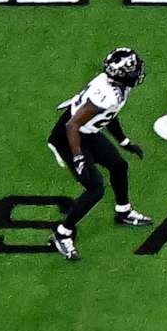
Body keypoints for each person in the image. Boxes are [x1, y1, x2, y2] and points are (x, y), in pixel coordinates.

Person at [48, 48, 152, 260]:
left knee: (119, 166)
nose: (137, 72)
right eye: (132, 70)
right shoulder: (108, 94)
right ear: (121, 74)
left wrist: (124, 141)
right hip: (70, 137)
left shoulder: (116, 88)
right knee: (95, 188)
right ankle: (62, 233)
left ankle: (123, 211)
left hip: (86, 131)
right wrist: (78, 158)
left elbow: (109, 115)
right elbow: (72, 124)